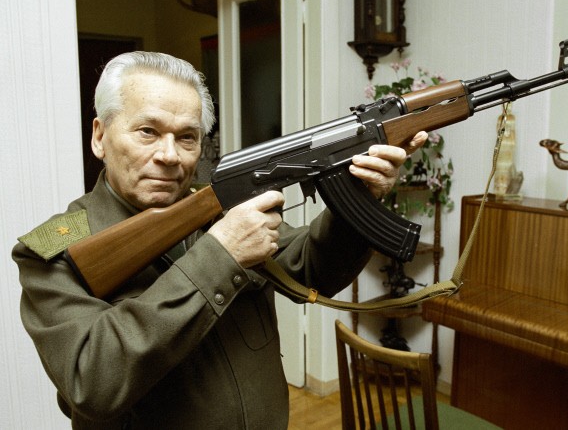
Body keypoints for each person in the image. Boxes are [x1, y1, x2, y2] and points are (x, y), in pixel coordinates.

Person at [13, 52, 427, 429]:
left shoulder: (219, 208)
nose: (170, 155)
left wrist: (358, 199)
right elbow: (92, 382)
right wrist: (221, 254)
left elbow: (312, 270)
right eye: (148, 131)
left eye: (187, 137)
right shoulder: (58, 252)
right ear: (100, 137)